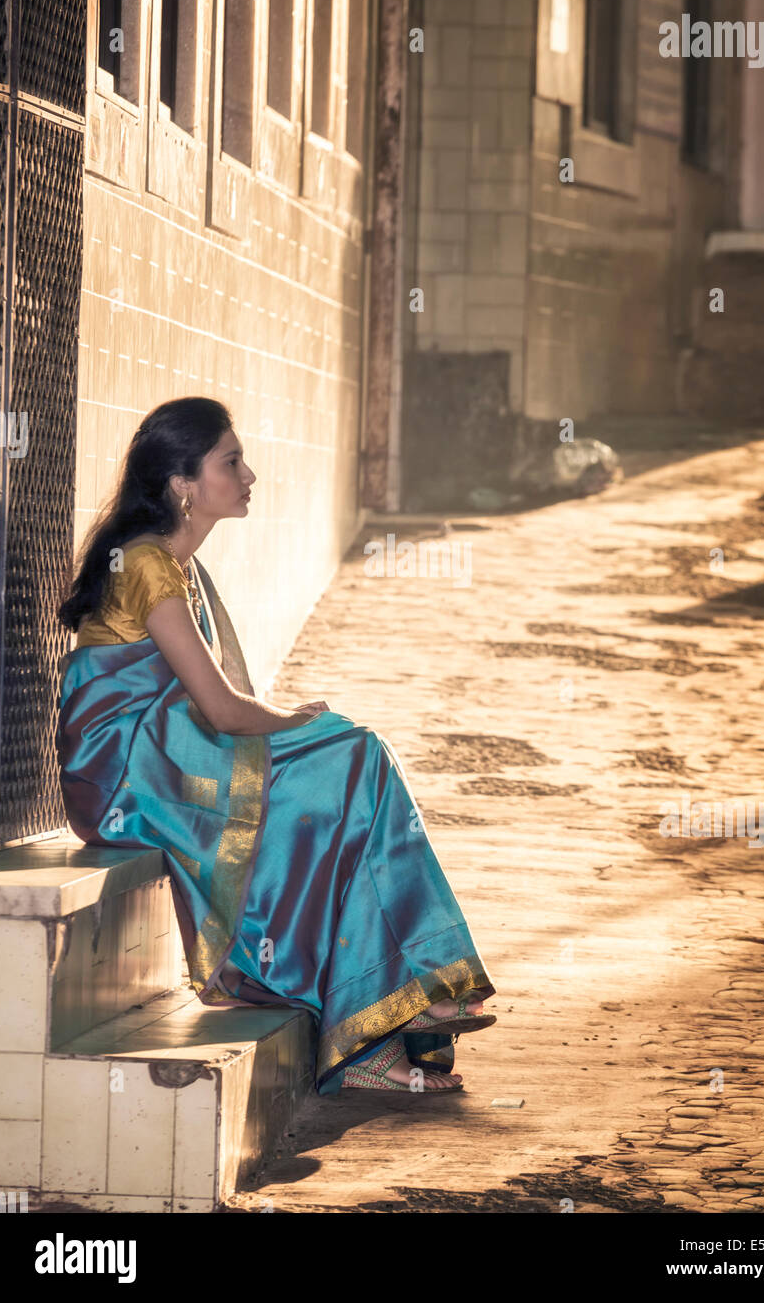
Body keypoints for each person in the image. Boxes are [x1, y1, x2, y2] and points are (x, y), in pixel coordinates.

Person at [56, 397, 496, 1094]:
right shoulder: (147, 566)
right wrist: (298, 723)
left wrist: (297, 725)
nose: (248, 473)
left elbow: (218, 709)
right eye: (230, 461)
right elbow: (224, 711)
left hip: (166, 755)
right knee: (349, 760)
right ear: (183, 483)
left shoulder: (173, 566)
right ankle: (392, 1003)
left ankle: (387, 1011)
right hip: (124, 780)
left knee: (351, 770)